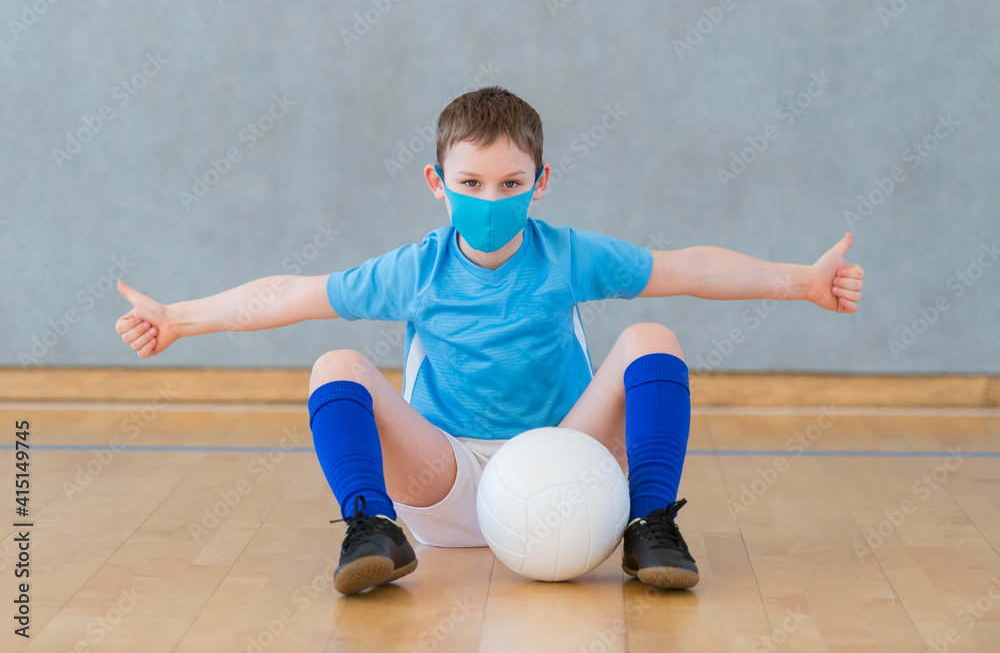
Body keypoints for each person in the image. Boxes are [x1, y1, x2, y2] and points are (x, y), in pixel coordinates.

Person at [115, 86, 864, 595]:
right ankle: (371, 529)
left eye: (510, 184)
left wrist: (800, 281)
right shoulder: (416, 269)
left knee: (651, 333)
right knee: (336, 362)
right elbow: (291, 293)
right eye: (470, 183)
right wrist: (180, 318)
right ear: (436, 182)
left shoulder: (569, 254)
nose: (490, 198)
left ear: (541, 183)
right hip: (445, 483)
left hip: (565, 471)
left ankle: (650, 524)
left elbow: (690, 266)